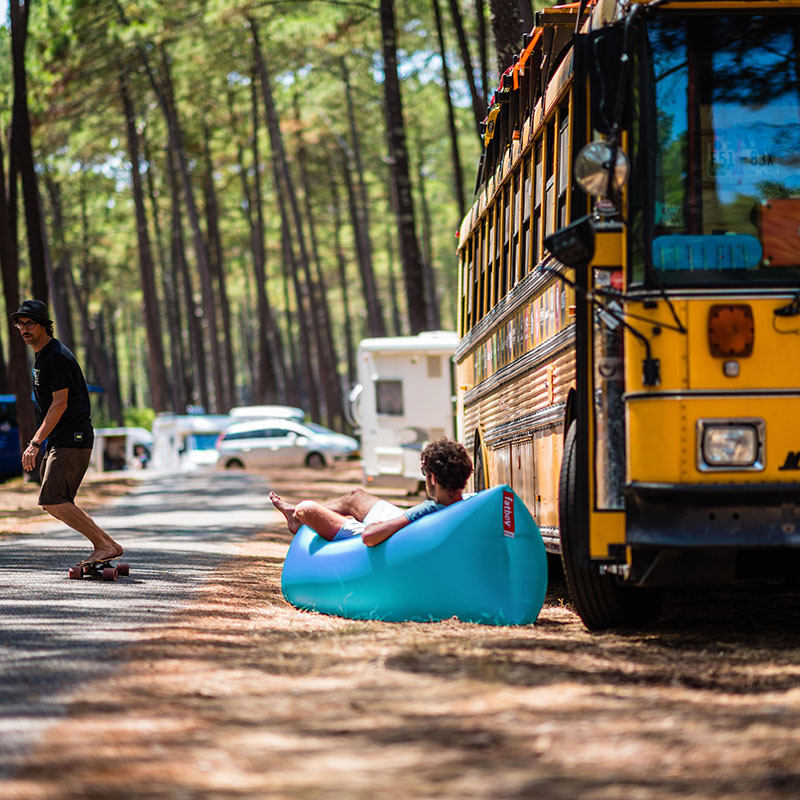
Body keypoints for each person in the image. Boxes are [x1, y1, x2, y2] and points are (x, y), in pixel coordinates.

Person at [12, 299, 124, 566]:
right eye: (20, 324)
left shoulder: (56, 357)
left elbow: (59, 403)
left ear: (44, 326)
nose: (24, 328)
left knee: (53, 499)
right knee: (55, 499)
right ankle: (107, 544)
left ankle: (104, 545)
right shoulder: (43, 356)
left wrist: (35, 442)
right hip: (63, 438)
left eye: (30, 323)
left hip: (72, 438)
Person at [270, 437, 473, 547]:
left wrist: (381, 526)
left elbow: (369, 536)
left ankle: (297, 516)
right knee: (355, 497)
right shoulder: (468, 506)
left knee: (306, 509)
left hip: (391, 537)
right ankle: (295, 519)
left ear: (433, 479)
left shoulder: (428, 510)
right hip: (401, 523)